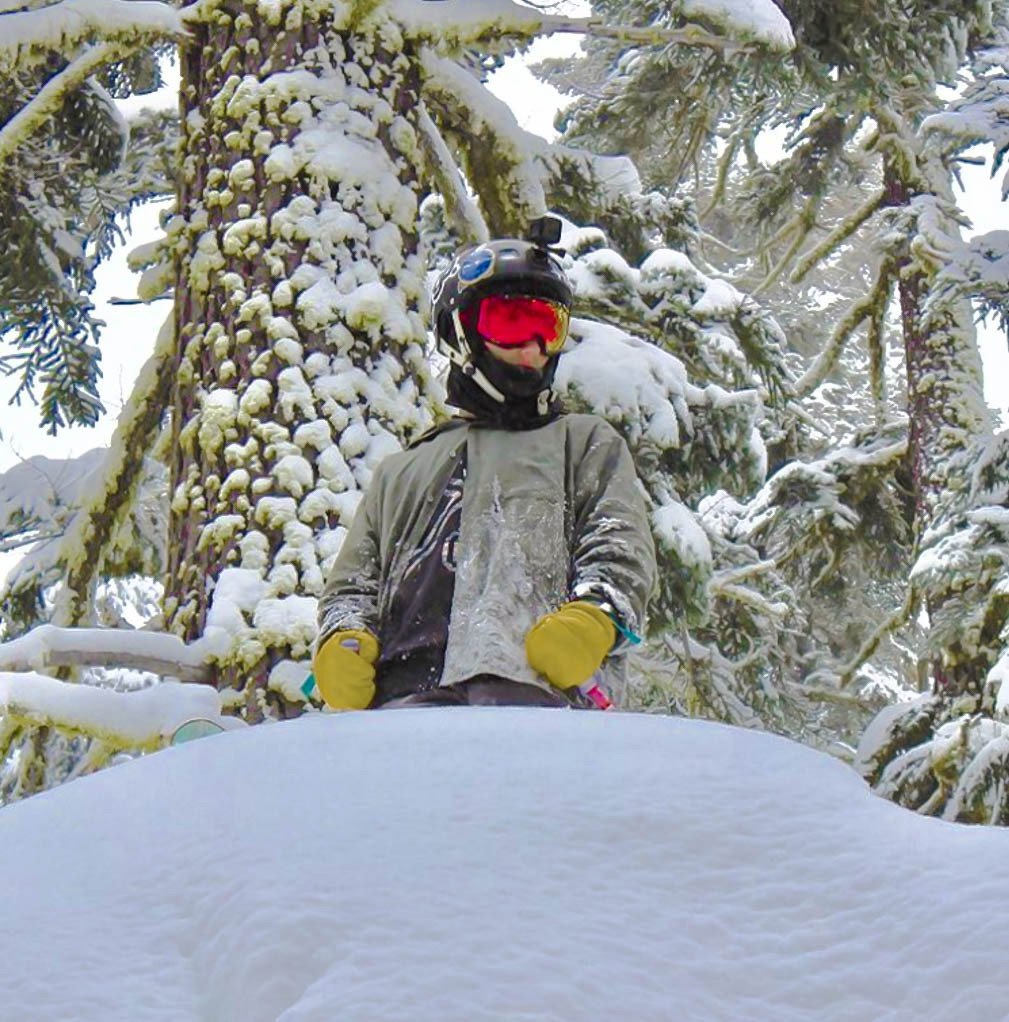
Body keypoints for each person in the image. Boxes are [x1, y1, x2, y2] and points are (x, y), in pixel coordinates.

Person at [313, 220, 657, 710]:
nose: (535, 348)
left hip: (542, 699)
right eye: (514, 323)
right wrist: (343, 638)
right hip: (403, 708)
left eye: (549, 327)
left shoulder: (582, 444)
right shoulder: (401, 472)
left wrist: (596, 615)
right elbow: (353, 585)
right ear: (461, 333)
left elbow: (620, 547)